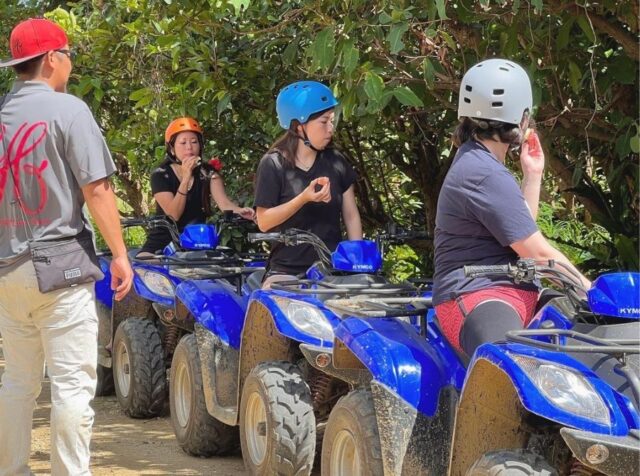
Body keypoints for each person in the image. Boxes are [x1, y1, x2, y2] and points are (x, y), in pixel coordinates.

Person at [0, 18, 133, 475]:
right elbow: (97, 189)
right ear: (52, 59)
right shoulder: (69, 110)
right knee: (72, 388)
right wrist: (120, 254)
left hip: (7, 271)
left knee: (16, 382)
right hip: (60, 267)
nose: (71, 63)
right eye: (69, 54)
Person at [432, 58, 590, 357]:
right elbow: (539, 254)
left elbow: (519, 237)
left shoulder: (478, 162)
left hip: (508, 289)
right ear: (522, 116)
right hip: (476, 293)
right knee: (508, 364)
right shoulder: (482, 172)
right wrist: (595, 294)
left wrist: (532, 175)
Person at [254, 80, 363, 288]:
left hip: (332, 270)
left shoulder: (337, 162)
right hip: (287, 271)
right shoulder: (273, 164)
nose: (331, 128)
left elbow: (351, 214)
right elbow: (264, 221)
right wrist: (303, 198)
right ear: (298, 126)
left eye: (333, 120)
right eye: (323, 122)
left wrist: (355, 261)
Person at [138, 116, 254, 255]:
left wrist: (240, 211)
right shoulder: (161, 175)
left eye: (194, 142)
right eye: (183, 143)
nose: (189, 147)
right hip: (163, 242)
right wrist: (186, 178)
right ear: (172, 149)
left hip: (197, 241)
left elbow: (225, 204)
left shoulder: (209, 173)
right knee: (145, 268)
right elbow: (173, 215)